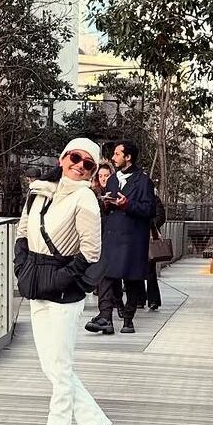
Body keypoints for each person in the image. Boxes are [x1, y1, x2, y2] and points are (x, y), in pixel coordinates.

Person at [15, 138, 119, 425]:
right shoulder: (40, 190)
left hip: (63, 289)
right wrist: (20, 262)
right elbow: (22, 229)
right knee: (51, 366)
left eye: (89, 163)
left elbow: (91, 251)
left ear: (92, 172)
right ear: (63, 158)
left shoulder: (85, 197)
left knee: (60, 369)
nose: (80, 165)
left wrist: (63, 277)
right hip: (35, 281)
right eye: (76, 157)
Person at [85, 140, 156, 335]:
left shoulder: (144, 181)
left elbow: (150, 210)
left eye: (117, 154)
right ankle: (105, 316)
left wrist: (127, 205)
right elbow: (111, 203)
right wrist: (108, 204)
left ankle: (128, 318)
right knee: (105, 275)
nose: (114, 158)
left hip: (133, 237)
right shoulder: (114, 179)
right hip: (112, 235)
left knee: (132, 279)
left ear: (128, 157)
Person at [146, 192, 167, 311]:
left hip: (150, 238)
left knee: (150, 270)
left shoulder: (154, 198)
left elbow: (161, 217)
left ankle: (153, 300)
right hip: (134, 237)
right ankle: (139, 298)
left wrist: (151, 223)